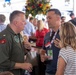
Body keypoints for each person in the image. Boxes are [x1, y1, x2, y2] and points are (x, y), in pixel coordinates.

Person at [0, 10, 32, 75]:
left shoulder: (18, 34)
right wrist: (21, 65)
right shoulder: (5, 37)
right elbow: (2, 62)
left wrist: (26, 49)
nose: (25, 23)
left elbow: (16, 52)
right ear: (16, 23)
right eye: (23, 21)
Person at [40, 9, 61, 75]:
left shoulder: (66, 34)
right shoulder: (47, 35)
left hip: (63, 71)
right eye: (47, 18)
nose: (47, 20)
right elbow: (43, 49)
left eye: (50, 18)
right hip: (49, 70)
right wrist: (42, 55)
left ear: (58, 18)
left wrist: (63, 46)